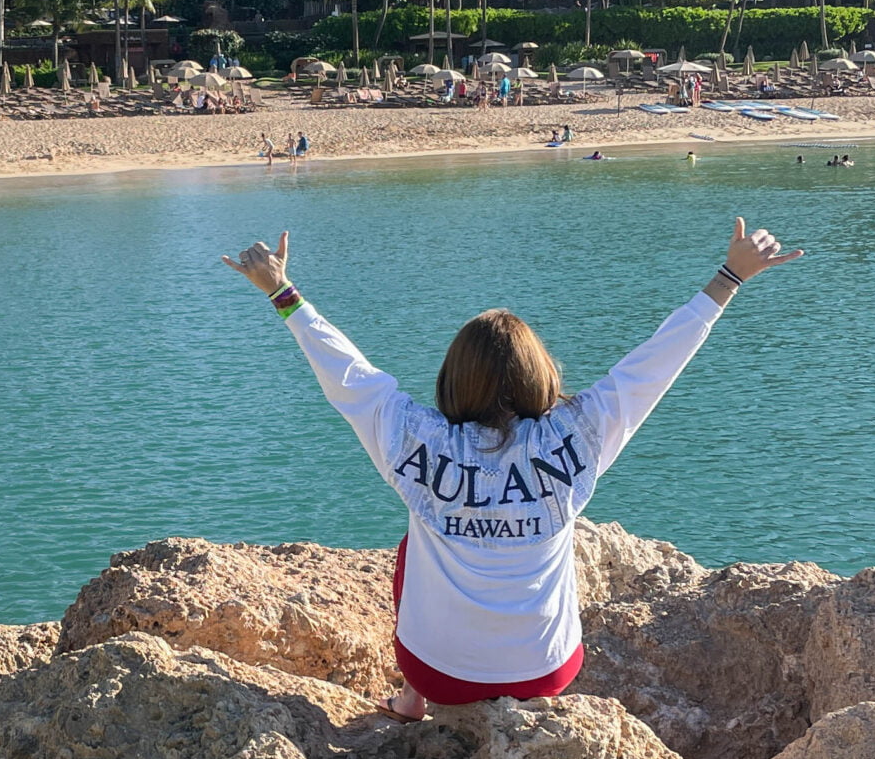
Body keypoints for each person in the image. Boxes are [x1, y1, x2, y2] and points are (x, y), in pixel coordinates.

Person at [222, 219, 802, 720]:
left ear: (454, 378)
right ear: (539, 374)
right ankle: (528, 707)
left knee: (412, 546)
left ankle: (408, 704)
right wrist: (729, 278)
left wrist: (283, 292)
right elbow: (651, 366)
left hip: (438, 676)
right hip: (547, 674)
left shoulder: (409, 437)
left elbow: (345, 371)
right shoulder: (580, 434)